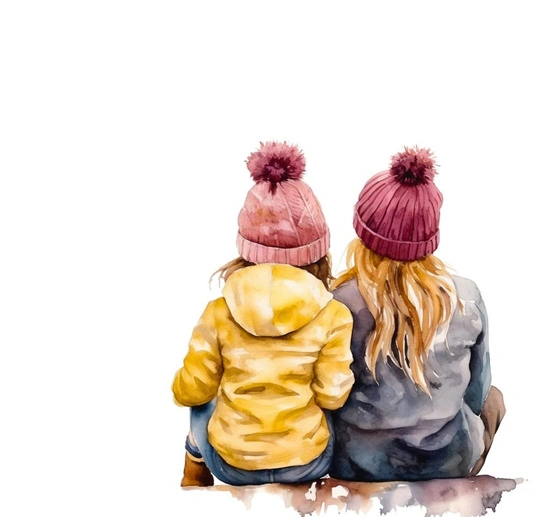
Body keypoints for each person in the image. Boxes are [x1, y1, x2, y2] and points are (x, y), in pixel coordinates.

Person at [172, 142, 354, 487]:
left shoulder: (218, 312)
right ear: (318, 252)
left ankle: (194, 470)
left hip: (231, 465)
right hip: (308, 463)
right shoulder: (333, 315)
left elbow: (190, 391)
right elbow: (333, 396)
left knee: (202, 402)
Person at [329, 147, 505, 482]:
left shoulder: (338, 301)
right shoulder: (466, 297)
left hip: (355, 462)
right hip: (448, 460)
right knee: (495, 398)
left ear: (362, 230)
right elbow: (478, 392)